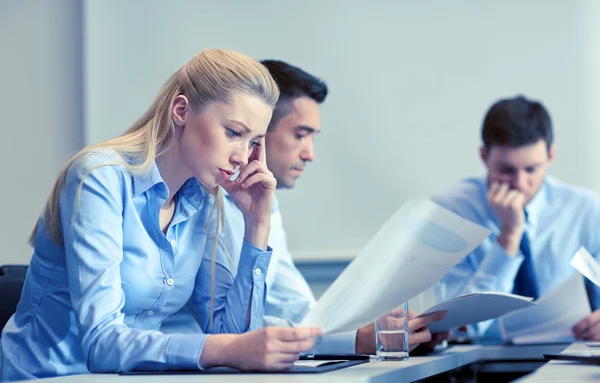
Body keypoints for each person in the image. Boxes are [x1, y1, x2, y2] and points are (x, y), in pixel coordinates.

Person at [0, 49, 322, 381]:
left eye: (254, 142)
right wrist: (225, 349)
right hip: (48, 376)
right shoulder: (100, 177)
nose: (243, 156)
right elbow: (102, 343)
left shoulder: (206, 200)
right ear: (181, 110)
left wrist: (258, 224)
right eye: (233, 133)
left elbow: (235, 336)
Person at [163, 59, 448, 353]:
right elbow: (234, 335)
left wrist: (378, 329)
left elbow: (300, 311)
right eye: (300, 135)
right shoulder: (207, 202)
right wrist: (356, 340)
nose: (310, 154)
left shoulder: (264, 205)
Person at [432, 95, 600, 340]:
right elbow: (460, 328)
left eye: (532, 169)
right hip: (480, 362)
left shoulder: (585, 209)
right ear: (484, 156)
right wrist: (509, 236)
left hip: (566, 355)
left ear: (551, 155)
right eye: (506, 170)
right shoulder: (451, 212)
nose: (520, 184)